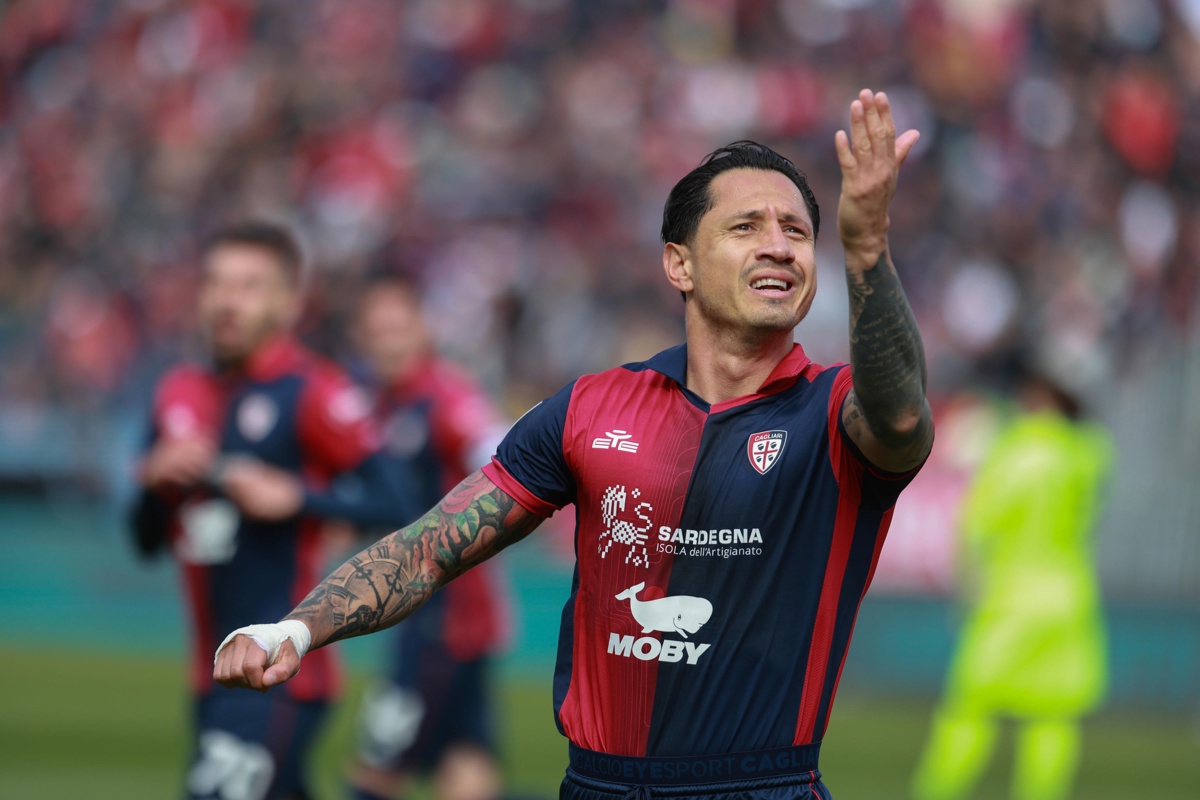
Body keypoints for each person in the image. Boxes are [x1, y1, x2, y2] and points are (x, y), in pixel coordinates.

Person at [214, 89, 934, 800]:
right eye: (746, 226)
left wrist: (867, 246)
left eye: (798, 231)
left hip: (760, 787)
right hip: (597, 786)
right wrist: (296, 631)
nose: (778, 244)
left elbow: (900, 418)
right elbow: (431, 545)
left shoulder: (835, 413)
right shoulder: (591, 407)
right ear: (678, 265)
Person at [130, 221, 418, 800]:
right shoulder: (177, 390)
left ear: (287, 302)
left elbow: (400, 501)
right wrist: (157, 484)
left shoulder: (313, 390)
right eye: (217, 283)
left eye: (250, 286)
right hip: (211, 673)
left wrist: (297, 499)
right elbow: (144, 539)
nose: (228, 301)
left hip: (278, 670)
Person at [909, 367, 1112, 800]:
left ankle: (936, 792)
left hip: (1013, 597)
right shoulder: (1089, 454)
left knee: (969, 708)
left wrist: (967, 583)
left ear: (1040, 397)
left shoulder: (1018, 452)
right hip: (1071, 597)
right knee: (1053, 715)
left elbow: (978, 524)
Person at [345, 275, 512, 800]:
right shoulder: (378, 404)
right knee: (466, 768)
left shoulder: (443, 396)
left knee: (374, 771)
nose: (387, 342)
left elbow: (497, 452)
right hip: (437, 618)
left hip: (444, 619)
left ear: (420, 330)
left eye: (397, 329)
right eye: (376, 332)